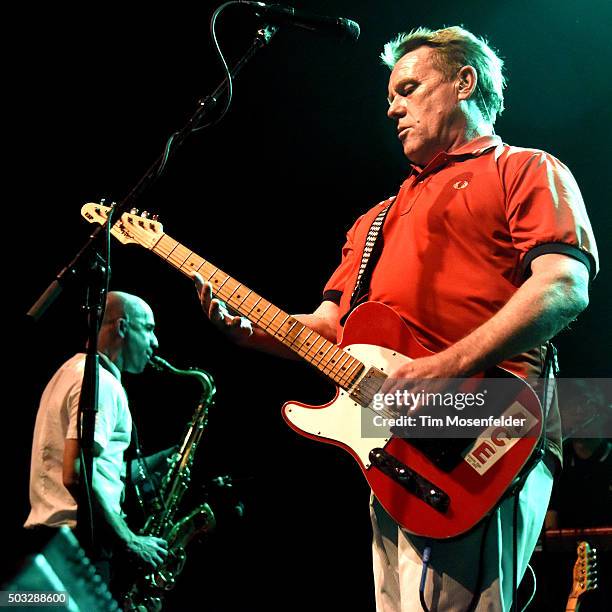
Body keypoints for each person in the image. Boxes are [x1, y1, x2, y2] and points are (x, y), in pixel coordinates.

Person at [193, 26, 598, 611]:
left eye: (408, 88)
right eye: (391, 95)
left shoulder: (527, 169)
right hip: (396, 445)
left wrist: (446, 366)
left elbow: (563, 287)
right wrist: (250, 327)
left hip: (489, 421)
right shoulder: (374, 219)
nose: (392, 107)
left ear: (465, 82)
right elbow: (334, 329)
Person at [24, 291, 169, 590]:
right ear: (123, 327)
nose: (155, 342)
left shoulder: (70, 371)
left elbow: (94, 469)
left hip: (54, 540)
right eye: (150, 329)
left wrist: (168, 459)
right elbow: (75, 473)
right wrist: (129, 539)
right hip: (79, 545)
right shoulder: (100, 383)